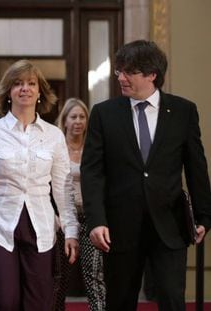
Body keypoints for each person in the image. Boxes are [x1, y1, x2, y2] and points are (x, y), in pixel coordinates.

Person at [81, 40, 211, 311]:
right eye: (119, 71)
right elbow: (92, 172)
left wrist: (204, 216)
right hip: (119, 228)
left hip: (169, 226)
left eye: (129, 72)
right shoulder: (104, 114)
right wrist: (96, 220)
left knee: (173, 300)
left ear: (152, 74)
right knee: (119, 302)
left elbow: (196, 166)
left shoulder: (183, 111)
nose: (121, 78)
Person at [0, 59, 80, 310]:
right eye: (18, 83)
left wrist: (71, 231)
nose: (25, 88)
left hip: (41, 227)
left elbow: (63, 189)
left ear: (39, 92)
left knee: (38, 303)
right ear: (8, 92)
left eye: (31, 83)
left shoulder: (54, 136)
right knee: (4, 301)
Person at [55, 98, 105, 311]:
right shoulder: (55, 148)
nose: (78, 121)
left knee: (94, 274)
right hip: (61, 221)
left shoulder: (94, 148)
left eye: (82, 117)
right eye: (73, 117)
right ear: (64, 121)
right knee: (59, 277)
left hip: (89, 218)